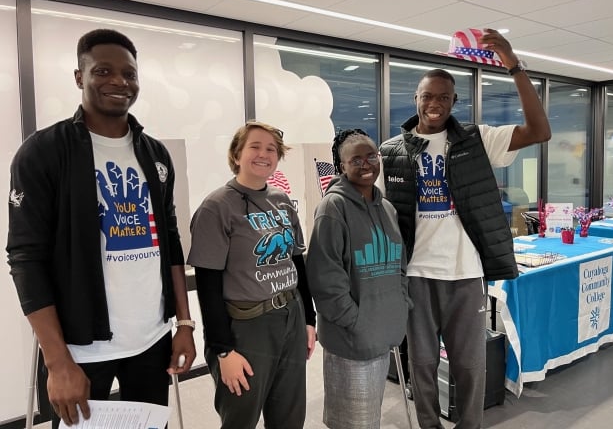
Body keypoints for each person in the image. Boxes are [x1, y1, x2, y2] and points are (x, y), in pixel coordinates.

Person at [6, 28, 196, 427]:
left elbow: (171, 242)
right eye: (103, 71)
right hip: (80, 350)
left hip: (151, 342)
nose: (119, 82)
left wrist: (183, 323)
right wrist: (57, 362)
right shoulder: (44, 152)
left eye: (129, 74)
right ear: (80, 77)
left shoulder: (154, 153)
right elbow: (26, 258)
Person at [379, 28, 552, 429]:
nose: (435, 103)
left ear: (454, 101)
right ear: (416, 99)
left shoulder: (478, 140)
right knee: (420, 365)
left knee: (469, 367)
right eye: (427, 96)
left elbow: (539, 131)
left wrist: (513, 64)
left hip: (466, 274)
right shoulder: (391, 151)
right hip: (416, 277)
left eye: (443, 96)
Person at [187, 121, 317, 429]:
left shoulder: (282, 201)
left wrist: (309, 320)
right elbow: (208, 285)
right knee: (240, 418)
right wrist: (222, 351)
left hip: (291, 317)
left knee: (289, 415)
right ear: (236, 155)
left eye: (271, 149)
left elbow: (297, 262)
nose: (264, 154)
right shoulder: (217, 206)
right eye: (255, 147)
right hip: (247, 327)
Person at [306, 129, 410, 429]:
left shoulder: (387, 208)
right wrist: (356, 321)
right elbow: (325, 278)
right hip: (351, 341)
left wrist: (400, 306)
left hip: (382, 332)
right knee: (352, 423)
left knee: (370, 419)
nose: (366, 164)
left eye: (371, 156)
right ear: (341, 166)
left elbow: (400, 264)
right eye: (356, 159)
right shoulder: (332, 208)